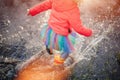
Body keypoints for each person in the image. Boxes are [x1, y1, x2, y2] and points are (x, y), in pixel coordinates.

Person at [28, 0, 92, 66]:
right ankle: (57, 63)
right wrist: (89, 32)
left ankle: (49, 46)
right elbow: (78, 28)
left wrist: (31, 11)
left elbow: (42, 6)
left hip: (50, 31)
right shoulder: (73, 10)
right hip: (62, 36)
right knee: (66, 52)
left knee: (49, 40)